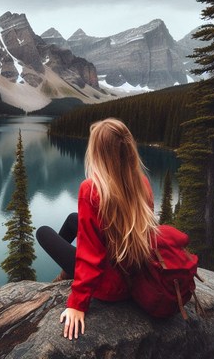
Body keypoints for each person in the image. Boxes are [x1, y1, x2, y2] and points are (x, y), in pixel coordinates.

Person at [36, 118, 158, 340]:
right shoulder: (142, 181)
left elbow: (91, 256)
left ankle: (65, 276)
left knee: (43, 232)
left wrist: (77, 303)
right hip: (132, 273)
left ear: (99, 153)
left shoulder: (91, 189)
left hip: (110, 287)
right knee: (75, 219)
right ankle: (66, 273)